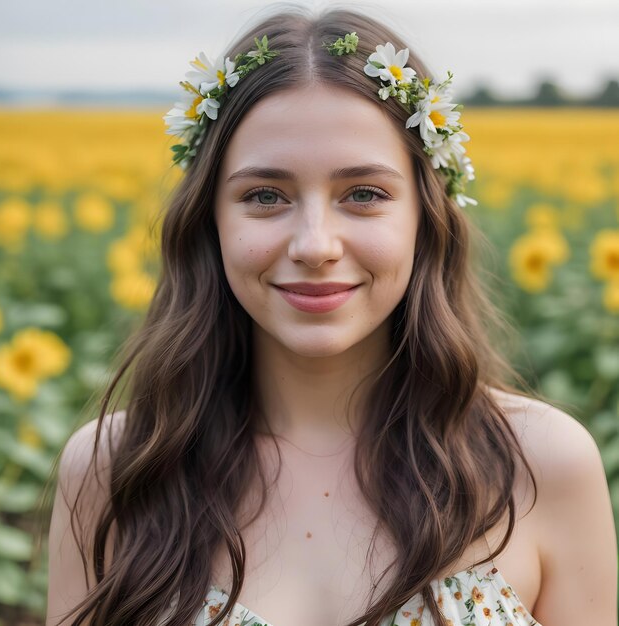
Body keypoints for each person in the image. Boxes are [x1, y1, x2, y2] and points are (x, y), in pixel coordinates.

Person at [45, 5, 617, 626]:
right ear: (211, 221)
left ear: (425, 219)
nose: (315, 245)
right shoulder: (114, 470)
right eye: (265, 196)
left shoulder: (544, 466)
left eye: (364, 194)